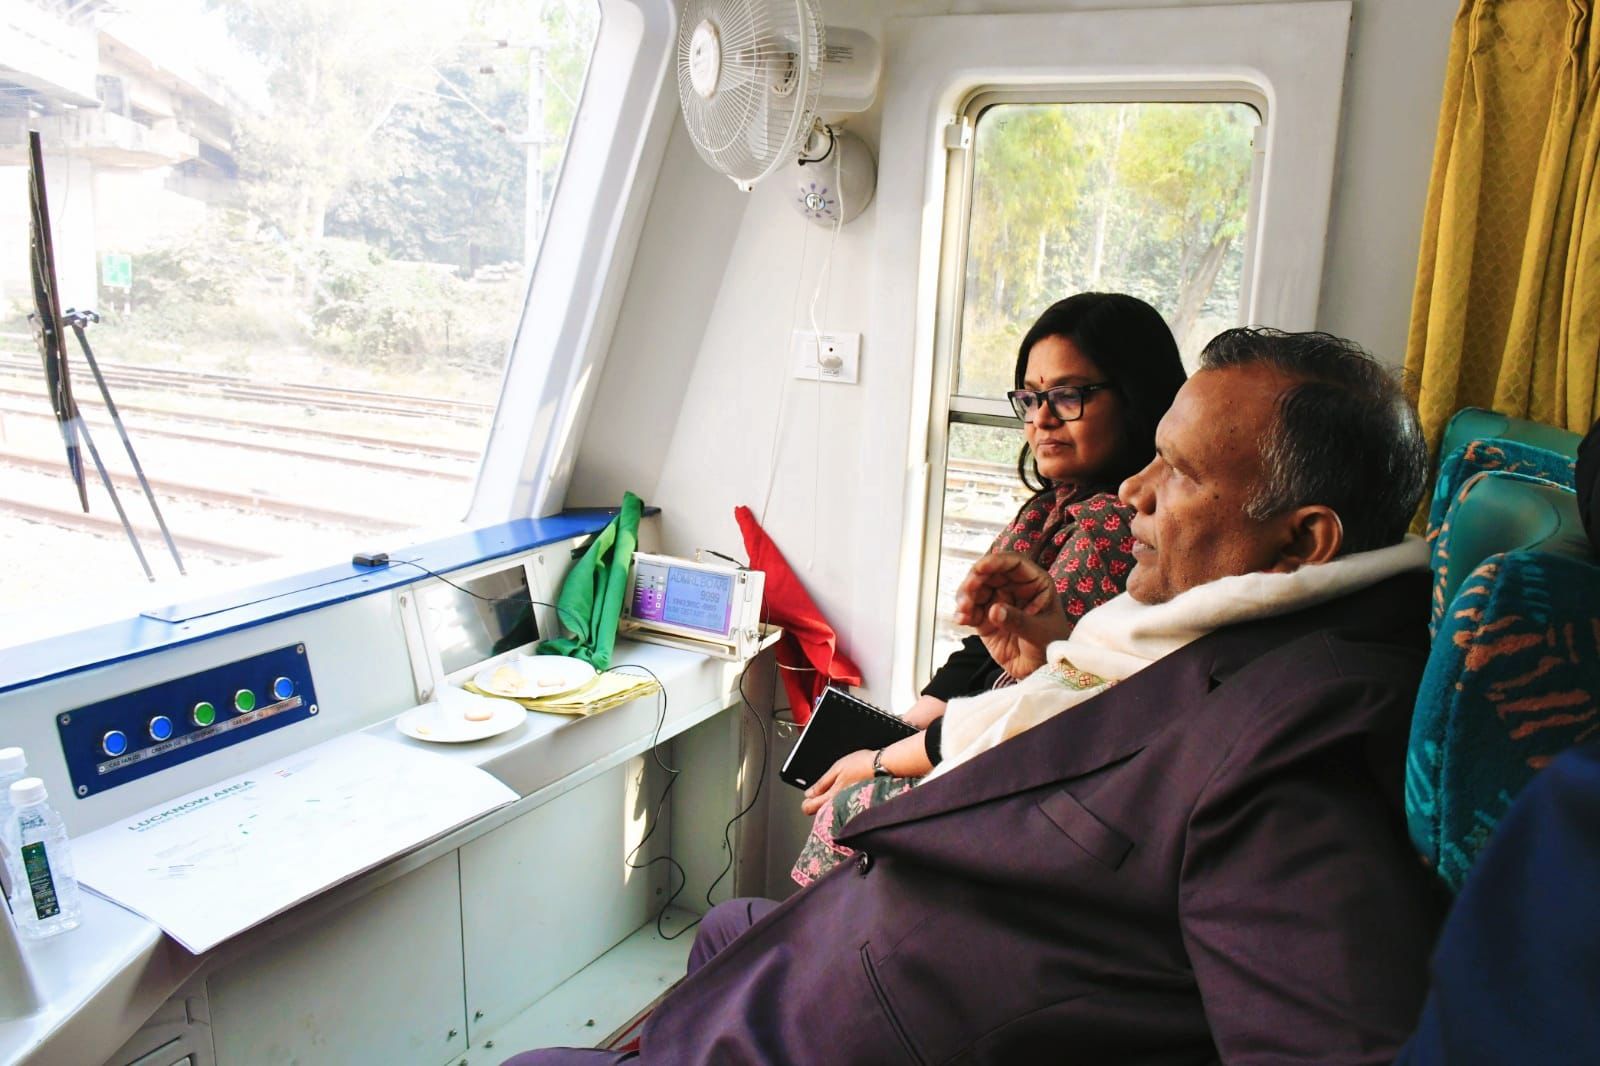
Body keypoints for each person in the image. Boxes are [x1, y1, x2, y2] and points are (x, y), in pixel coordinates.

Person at [505, 328, 1443, 1066]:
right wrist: (1040, 660)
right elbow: (1109, 745)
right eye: (1154, 458)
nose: (1133, 492)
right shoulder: (1216, 635)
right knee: (723, 932)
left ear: (1302, 542)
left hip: (872, 1026)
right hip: (871, 959)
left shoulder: (1308, 739)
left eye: (1182, 474)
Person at [793, 292, 1185, 885]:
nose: (1041, 419)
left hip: (1026, 766)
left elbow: (1041, 698)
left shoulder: (1118, 531)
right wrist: (912, 721)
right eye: (1030, 397)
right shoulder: (1048, 512)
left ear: (1137, 396)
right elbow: (985, 650)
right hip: (984, 735)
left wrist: (887, 758)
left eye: (1068, 395)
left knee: (851, 808)